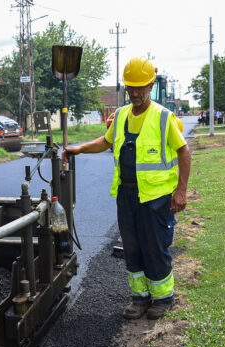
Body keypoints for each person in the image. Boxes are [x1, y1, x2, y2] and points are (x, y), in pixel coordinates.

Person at [63, 57, 191, 320]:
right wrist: (79, 148)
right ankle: (139, 298)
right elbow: (105, 141)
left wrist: (180, 191)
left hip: (156, 197)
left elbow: (184, 151)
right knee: (132, 248)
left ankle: (163, 298)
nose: (134, 93)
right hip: (127, 194)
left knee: (154, 247)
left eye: (140, 87)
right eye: (130, 87)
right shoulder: (120, 116)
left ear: (151, 85)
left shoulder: (164, 118)